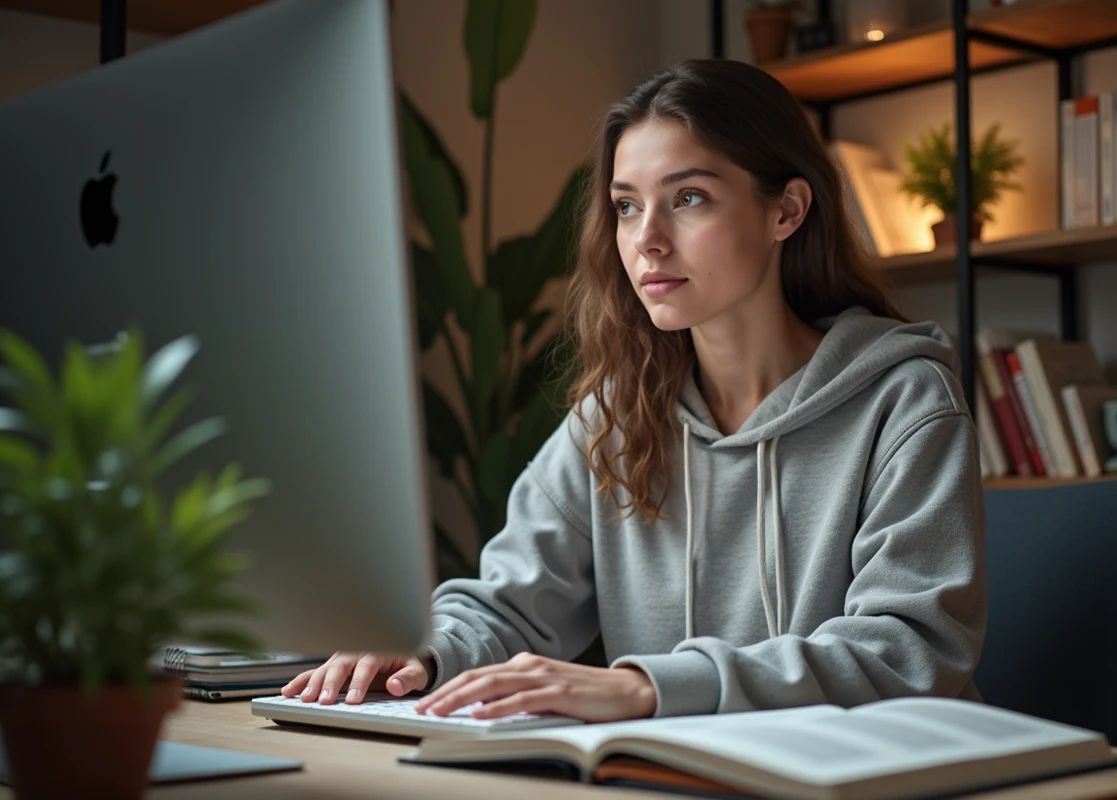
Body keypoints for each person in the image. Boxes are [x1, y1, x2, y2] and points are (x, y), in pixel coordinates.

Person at [282, 58, 987, 722]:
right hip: (680, 779)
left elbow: (908, 651)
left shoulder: (904, 401)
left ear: (787, 211)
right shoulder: (618, 414)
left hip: (873, 777)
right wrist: (424, 650)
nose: (647, 239)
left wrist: (649, 686)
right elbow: (509, 605)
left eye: (688, 198)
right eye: (626, 206)